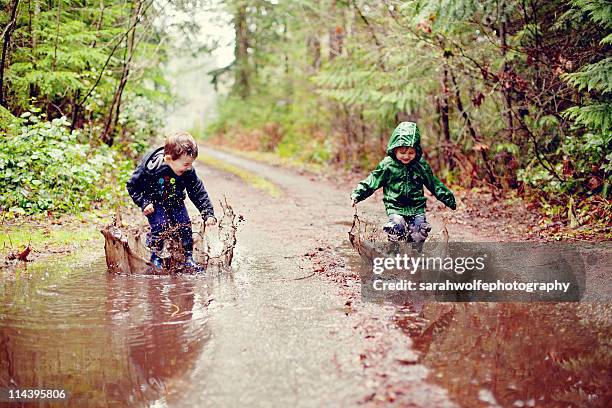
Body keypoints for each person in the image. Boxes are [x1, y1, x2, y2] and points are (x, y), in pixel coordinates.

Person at [351, 122, 456, 244]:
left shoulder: (420, 165)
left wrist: (449, 199)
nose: (406, 156)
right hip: (395, 206)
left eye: (411, 153)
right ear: (394, 150)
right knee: (396, 227)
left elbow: (434, 184)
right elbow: (373, 180)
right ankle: (393, 253)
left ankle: (414, 256)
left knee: (418, 232)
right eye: (402, 152)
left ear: (416, 151)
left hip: (416, 207)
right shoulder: (388, 165)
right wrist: (358, 194)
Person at [126, 131, 216, 272]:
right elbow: (132, 186)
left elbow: (197, 191)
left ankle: (187, 258)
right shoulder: (150, 168)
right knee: (160, 227)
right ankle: (156, 257)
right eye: (186, 164)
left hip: (176, 202)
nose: (189, 168)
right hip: (154, 204)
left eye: (191, 164)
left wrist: (207, 212)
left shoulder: (187, 171)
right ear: (168, 159)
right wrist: (144, 202)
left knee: (184, 226)